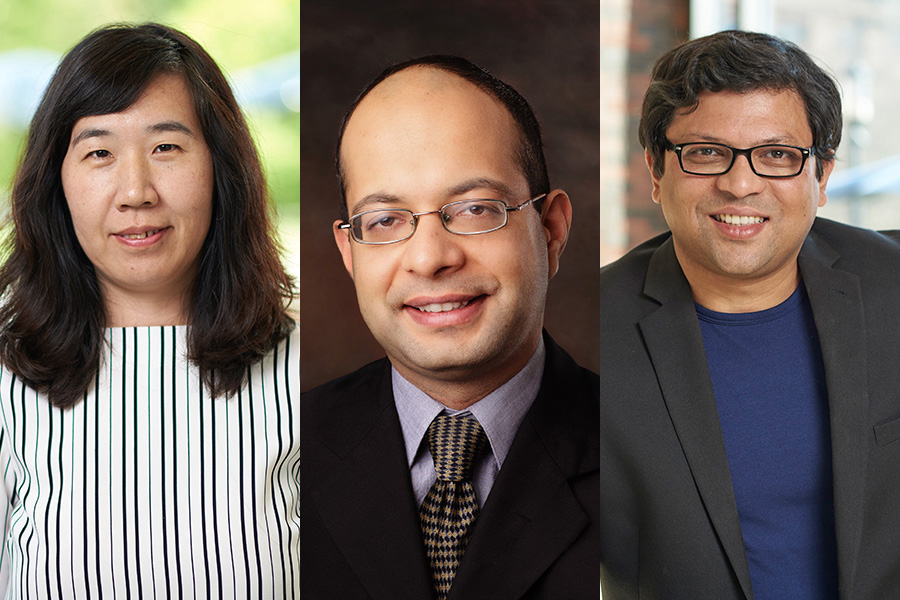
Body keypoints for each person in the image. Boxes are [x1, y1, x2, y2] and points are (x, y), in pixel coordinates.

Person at [0, 23, 298, 598]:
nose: (136, 191)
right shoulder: (8, 374)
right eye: (99, 152)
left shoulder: (304, 372)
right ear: (56, 182)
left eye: (165, 147)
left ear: (221, 169)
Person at [599, 30, 900, 599]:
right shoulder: (583, 341)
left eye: (777, 155)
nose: (740, 184)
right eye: (706, 152)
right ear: (656, 171)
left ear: (823, 176)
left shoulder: (893, 286)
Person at [301, 56, 599, 599]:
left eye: (475, 208)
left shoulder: (640, 449)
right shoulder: (277, 450)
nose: (429, 258)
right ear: (349, 253)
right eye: (386, 220)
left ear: (551, 231)